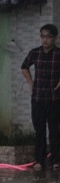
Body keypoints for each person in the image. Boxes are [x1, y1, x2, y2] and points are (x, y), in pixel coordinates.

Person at [21, 24, 60, 170]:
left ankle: (56, 161)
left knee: (55, 131)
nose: (45, 40)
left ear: (54, 38)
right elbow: (24, 67)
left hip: (54, 99)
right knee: (39, 131)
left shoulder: (58, 53)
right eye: (43, 36)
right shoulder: (35, 53)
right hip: (37, 98)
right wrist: (31, 83)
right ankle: (39, 160)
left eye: (48, 37)